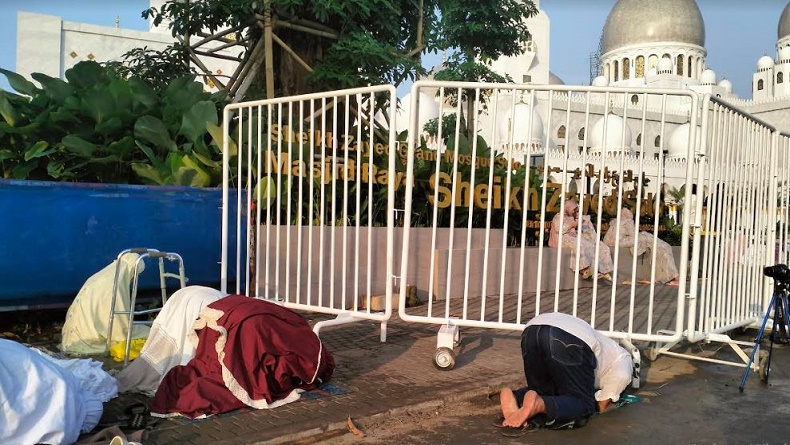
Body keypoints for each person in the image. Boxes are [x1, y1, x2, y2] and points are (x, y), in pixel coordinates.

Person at [499, 312, 633, 430]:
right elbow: (620, 380)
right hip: (569, 338)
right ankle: (539, 404)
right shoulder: (623, 358)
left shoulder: (608, 347)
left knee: (544, 391)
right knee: (585, 405)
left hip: (532, 330)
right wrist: (602, 404)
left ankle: (516, 397)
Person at [603, 207, 679, 286]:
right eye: (629, 213)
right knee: (645, 236)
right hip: (619, 242)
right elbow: (633, 234)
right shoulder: (628, 221)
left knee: (645, 236)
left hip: (610, 242)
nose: (631, 214)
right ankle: (674, 277)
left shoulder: (615, 221)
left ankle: (662, 276)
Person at [549, 200, 614, 282]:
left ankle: (599, 269)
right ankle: (583, 269)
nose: (575, 211)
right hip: (562, 238)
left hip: (572, 236)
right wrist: (572, 225)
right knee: (579, 245)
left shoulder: (572, 216)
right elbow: (559, 229)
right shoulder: (558, 217)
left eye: (576, 209)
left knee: (590, 245)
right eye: (573, 209)